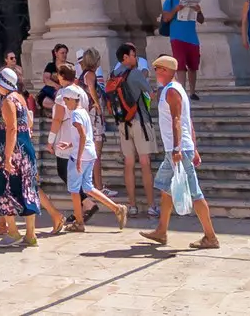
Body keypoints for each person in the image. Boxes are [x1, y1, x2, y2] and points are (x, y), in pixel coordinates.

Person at [140, 54, 218, 249]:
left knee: (194, 192)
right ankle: (161, 231)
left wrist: (178, 148)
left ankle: (210, 236)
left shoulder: (171, 91)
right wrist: (193, 147)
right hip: (178, 148)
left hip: (178, 149)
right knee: (166, 189)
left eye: (159, 69)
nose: (156, 72)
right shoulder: (177, 89)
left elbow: (177, 120)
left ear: (166, 71)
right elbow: (187, 121)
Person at [53, 83, 127, 230]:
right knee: (88, 187)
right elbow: (83, 136)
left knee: (74, 191)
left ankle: (79, 223)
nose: (66, 103)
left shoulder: (75, 114)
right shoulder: (83, 112)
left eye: (67, 100)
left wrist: (78, 158)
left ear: (73, 99)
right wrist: (69, 145)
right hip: (90, 153)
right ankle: (117, 208)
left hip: (80, 156)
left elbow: (82, 135)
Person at [0, 67, 41, 248]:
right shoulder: (20, 98)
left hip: (12, 151)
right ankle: (31, 235)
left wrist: (8, 157)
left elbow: (12, 129)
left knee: (0, 188)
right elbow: (30, 122)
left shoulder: (8, 102)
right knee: (27, 189)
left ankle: (12, 232)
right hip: (26, 150)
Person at [106, 43, 156, 217]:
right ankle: (151, 205)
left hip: (122, 124)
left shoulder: (114, 75)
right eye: (134, 55)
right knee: (145, 163)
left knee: (128, 163)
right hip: (140, 121)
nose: (136, 58)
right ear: (126, 57)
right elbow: (151, 93)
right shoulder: (135, 74)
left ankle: (132, 205)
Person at [157, 0, 202, 97]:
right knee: (180, 65)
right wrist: (176, 9)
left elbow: (201, 20)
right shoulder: (170, 1)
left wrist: (199, 11)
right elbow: (166, 18)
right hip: (177, 37)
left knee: (193, 66)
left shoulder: (191, 1)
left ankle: (192, 92)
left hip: (192, 38)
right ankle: (182, 91)